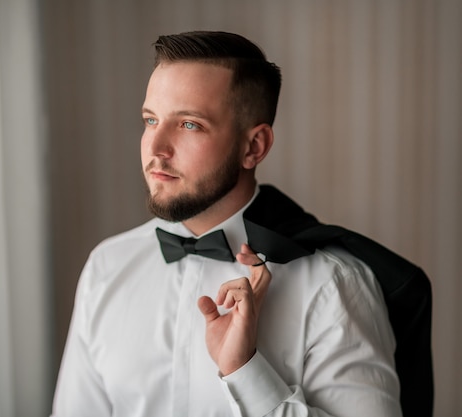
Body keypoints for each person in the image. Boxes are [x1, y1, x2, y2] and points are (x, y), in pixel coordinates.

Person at [51, 31, 402, 416]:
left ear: (254, 147)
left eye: (189, 125)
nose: (155, 149)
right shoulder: (107, 266)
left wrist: (245, 371)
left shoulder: (333, 286)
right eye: (150, 120)